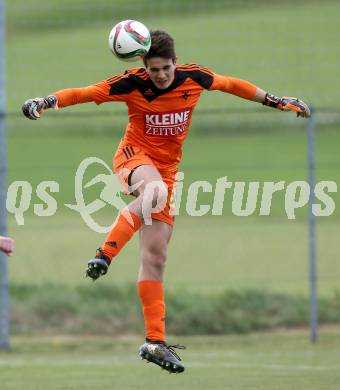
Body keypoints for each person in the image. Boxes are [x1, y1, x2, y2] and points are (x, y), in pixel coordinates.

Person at [22, 30, 310, 373]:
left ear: (175, 63)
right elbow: (85, 93)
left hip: (167, 172)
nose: (161, 74)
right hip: (134, 158)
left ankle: (155, 342)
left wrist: (277, 100)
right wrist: (45, 102)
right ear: (144, 64)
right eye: (155, 68)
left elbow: (232, 84)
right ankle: (105, 253)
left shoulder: (194, 78)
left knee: (156, 255)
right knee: (153, 192)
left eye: (166, 68)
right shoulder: (131, 83)